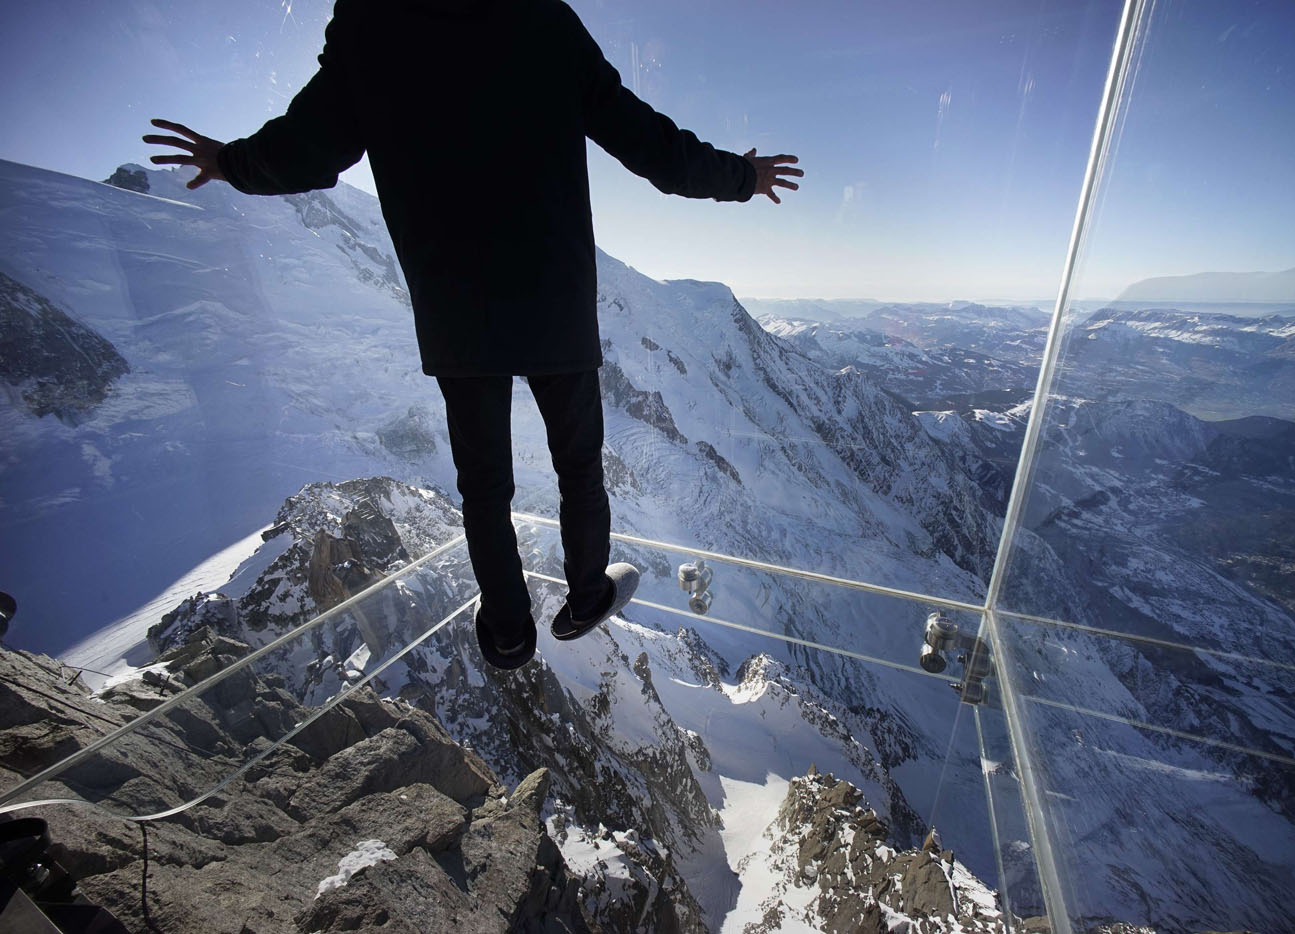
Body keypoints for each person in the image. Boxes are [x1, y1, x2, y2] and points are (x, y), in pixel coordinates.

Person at [144, 0, 802, 671]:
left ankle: (510, 630)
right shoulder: (543, 20)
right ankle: (585, 595)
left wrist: (232, 162)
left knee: (485, 485)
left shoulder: (373, 23)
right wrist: (742, 177)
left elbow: (307, 150)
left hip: (457, 304)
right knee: (578, 463)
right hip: (554, 297)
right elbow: (654, 150)